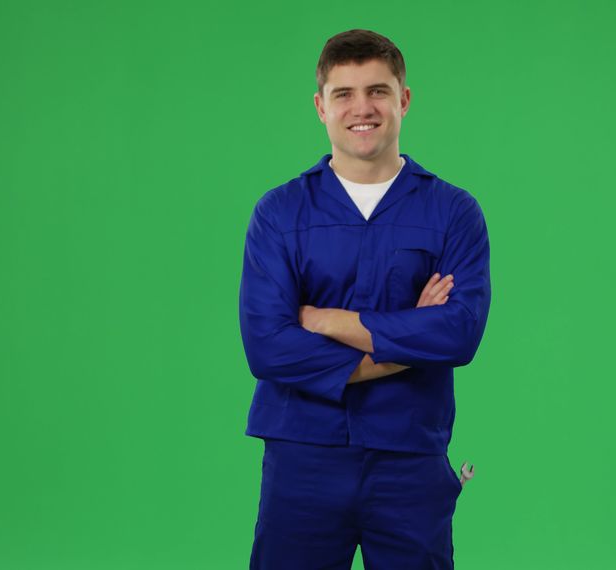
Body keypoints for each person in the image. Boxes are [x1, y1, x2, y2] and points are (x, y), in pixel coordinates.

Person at [238, 28, 491, 569]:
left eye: (378, 91)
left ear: (404, 99)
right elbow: (268, 348)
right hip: (303, 456)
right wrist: (408, 337)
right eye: (344, 94)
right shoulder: (280, 213)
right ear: (320, 107)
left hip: (410, 458)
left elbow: (458, 333)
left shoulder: (453, 212)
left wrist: (326, 319)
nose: (363, 108)